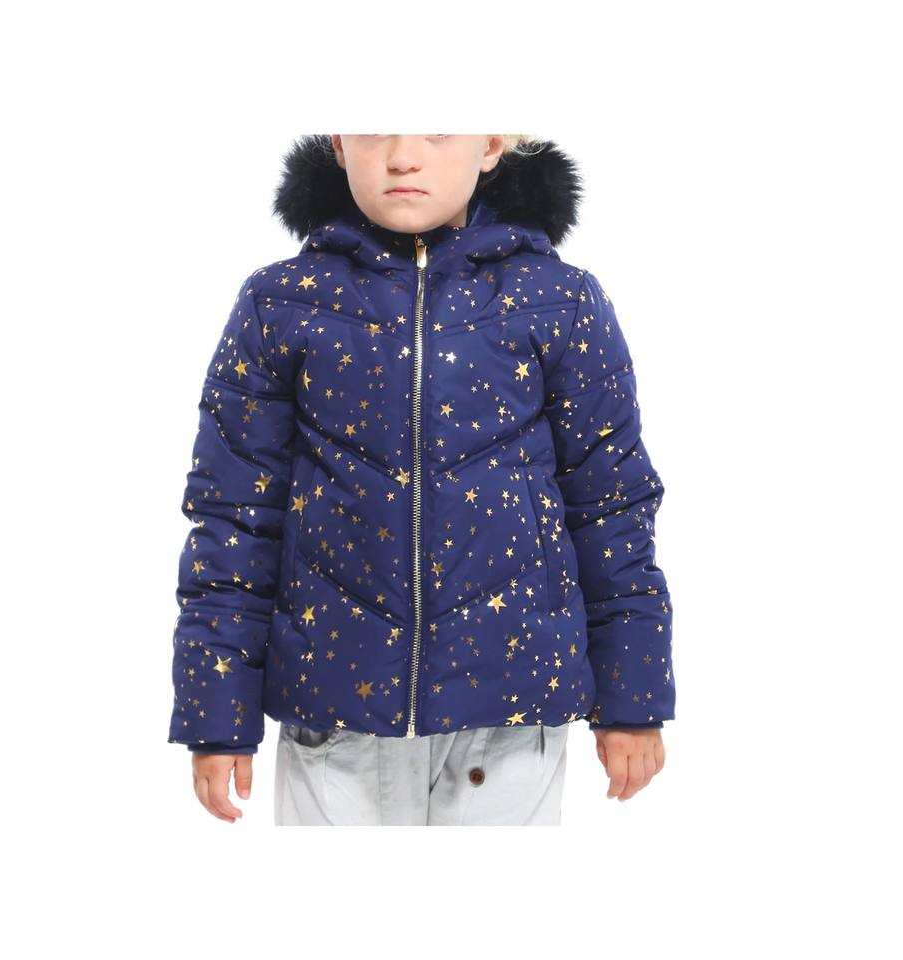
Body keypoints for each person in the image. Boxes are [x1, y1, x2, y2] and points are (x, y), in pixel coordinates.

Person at [167, 134, 676, 825]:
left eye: (437, 128)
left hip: (509, 719)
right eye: (375, 127)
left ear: (491, 143)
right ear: (339, 142)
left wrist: (632, 699)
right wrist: (216, 712)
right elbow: (234, 515)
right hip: (335, 726)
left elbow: (612, 506)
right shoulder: (281, 304)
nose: (403, 155)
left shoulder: (560, 302)